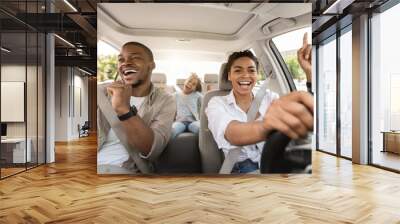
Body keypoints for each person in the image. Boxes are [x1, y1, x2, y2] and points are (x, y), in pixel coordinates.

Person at [206, 34, 313, 173]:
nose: (245, 75)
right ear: (229, 75)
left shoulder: (269, 97)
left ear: (257, 75)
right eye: (238, 70)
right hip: (241, 168)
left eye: (251, 70)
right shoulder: (216, 103)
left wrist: (310, 73)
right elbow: (231, 132)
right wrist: (265, 126)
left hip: (272, 159)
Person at [97, 41, 176, 174]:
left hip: (124, 170)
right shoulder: (100, 92)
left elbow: (152, 150)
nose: (125, 63)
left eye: (135, 57)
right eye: (121, 59)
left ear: (151, 65)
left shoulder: (165, 100)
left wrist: (124, 110)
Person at [171, 73, 203, 139]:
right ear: (185, 81)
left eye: (194, 84)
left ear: (195, 88)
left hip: (193, 122)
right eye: (189, 81)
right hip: (180, 122)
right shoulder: (175, 95)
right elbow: (170, 109)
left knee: (201, 130)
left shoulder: (197, 95)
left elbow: (205, 104)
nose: (190, 84)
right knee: (172, 130)